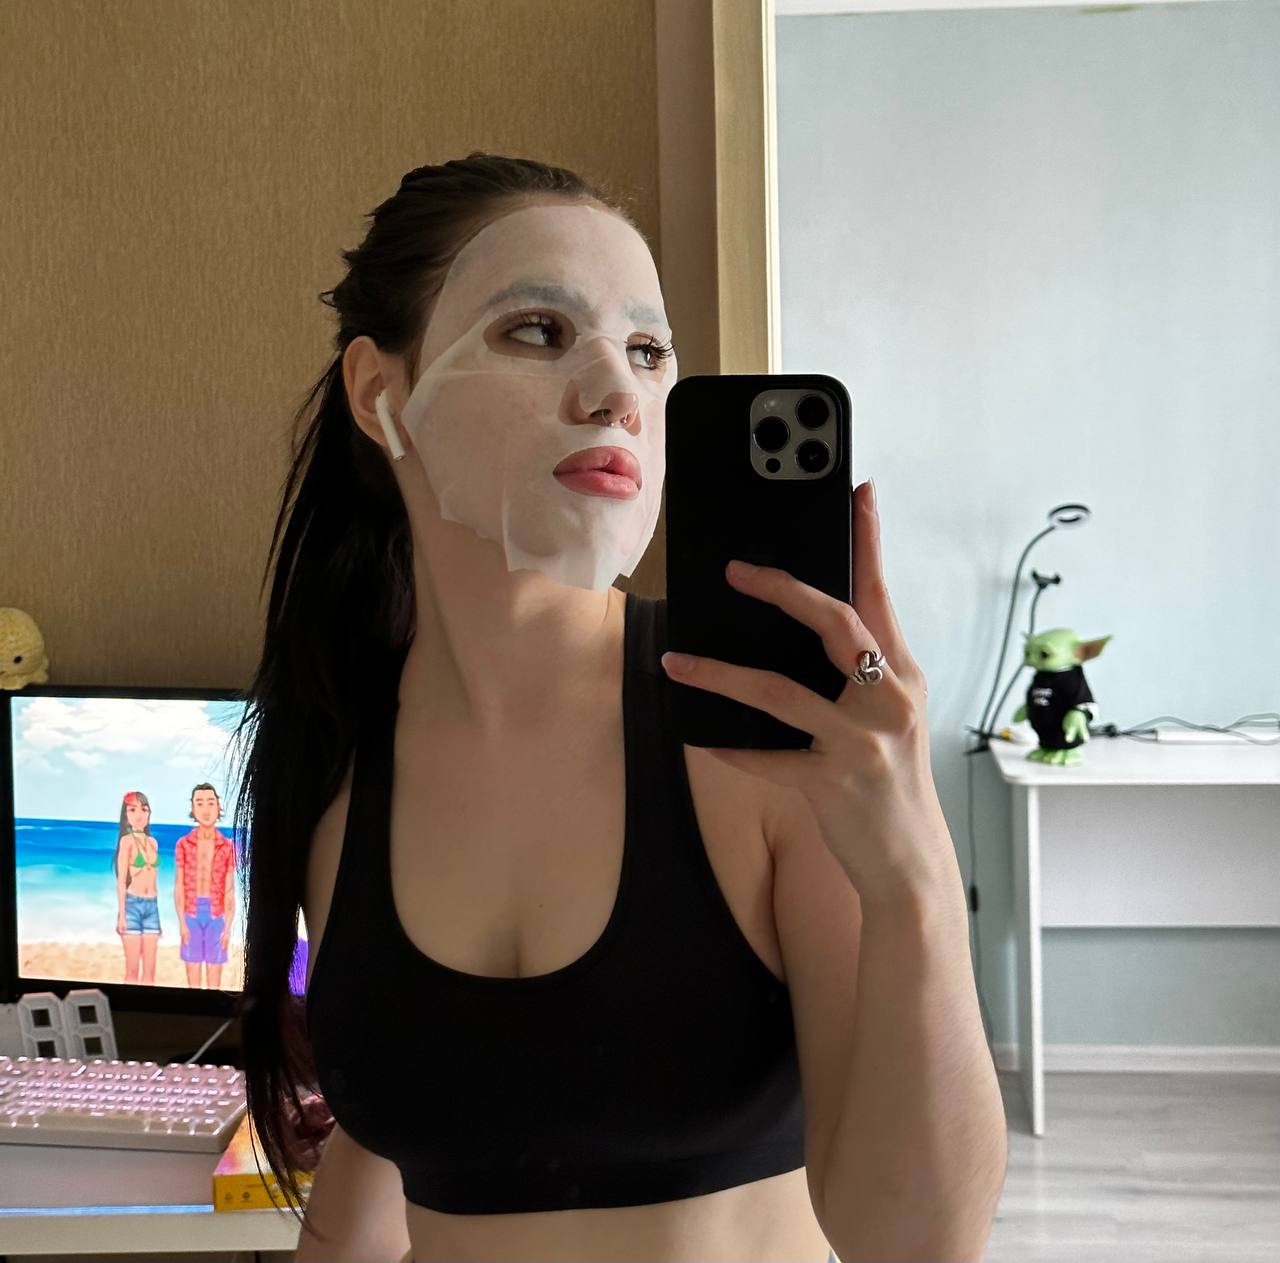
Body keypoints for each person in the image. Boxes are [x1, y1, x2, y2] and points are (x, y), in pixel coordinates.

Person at [230, 153, 837, 1263]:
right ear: (378, 392)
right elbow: (400, 1140)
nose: (617, 394)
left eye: (647, 351)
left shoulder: (759, 722)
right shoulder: (335, 755)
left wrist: (908, 858)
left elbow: (925, 1229)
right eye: (538, 331)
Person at [113, 789, 162, 983]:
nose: (139, 815)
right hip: (132, 906)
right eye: (132, 810)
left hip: (152, 907)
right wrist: (122, 915)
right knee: (132, 971)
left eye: (144, 809)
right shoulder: (126, 842)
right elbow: (121, 881)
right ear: (125, 815)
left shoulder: (153, 843)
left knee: (150, 973)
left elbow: (154, 880)